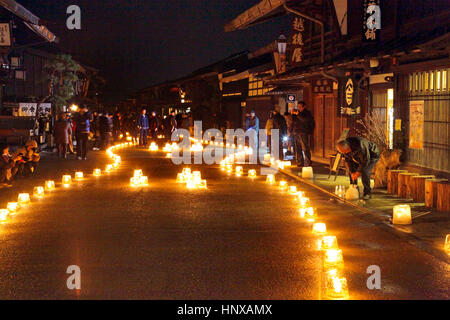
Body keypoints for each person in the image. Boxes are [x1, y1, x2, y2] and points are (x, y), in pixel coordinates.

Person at [292, 102, 315, 167]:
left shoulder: (307, 113)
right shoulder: (298, 113)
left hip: (303, 132)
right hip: (296, 132)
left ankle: (308, 161)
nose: (299, 108)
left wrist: (298, 114)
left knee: (305, 147)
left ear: (304, 107)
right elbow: (294, 121)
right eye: (298, 106)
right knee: (297, 148)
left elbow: (305, 120)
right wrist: (293, 115)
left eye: (300, 106)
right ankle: (300, 162)